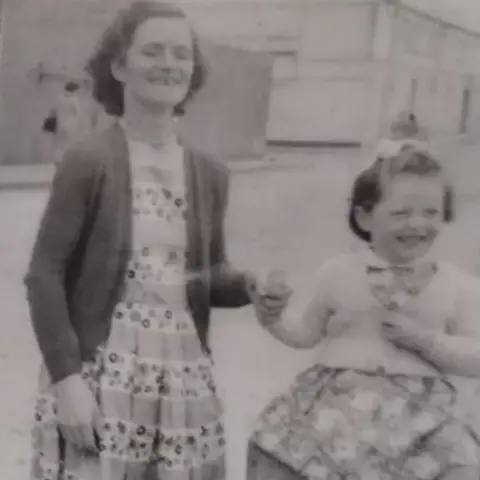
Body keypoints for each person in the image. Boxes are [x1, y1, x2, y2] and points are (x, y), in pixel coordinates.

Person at [25, 2, 269, 479]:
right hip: (104, 372)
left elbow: (207, 274)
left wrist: (251, 286)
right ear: (118, 66)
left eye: (181, 54)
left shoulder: (209, 172)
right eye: (152, 51)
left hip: (180, 376)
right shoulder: (87, 161)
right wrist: (68, 380)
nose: (169, 64)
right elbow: (44, 275)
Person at [248, 148, 480, 479]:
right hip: (338, 415)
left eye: (432, 212)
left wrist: (429, 343)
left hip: (421, 423)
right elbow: (305, 335)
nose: (418, 224)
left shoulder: (456, 285)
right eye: (401, 213)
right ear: (365, 217)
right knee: (284, 453)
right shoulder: (338, 273)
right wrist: (273, 319)